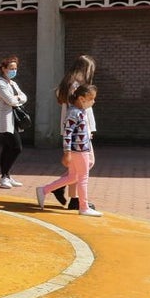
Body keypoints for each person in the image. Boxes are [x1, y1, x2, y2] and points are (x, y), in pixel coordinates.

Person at [36, 84, 101, 217]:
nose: (93, 101)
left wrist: (87, 135)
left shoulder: (79, 111)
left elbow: (76, 131)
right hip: (79, 151)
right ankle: (83, 207)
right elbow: (67, 134)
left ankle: (44, 190)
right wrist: (67, 152)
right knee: (83, 178)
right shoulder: (74, 113)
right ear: (82, 99)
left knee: (73, 177)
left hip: (80, 149)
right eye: (92, 99)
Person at [53, 55, 98, 209]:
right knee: (86, 163)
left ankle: (73, 198)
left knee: (77, 166)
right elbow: (82, 110)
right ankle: (61, 186)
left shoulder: (67, 84)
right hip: (79, 129)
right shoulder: (76, 86)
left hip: (74, 128)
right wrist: (88, 129)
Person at [0, 55, 28, 189]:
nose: (13, 71)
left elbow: (24, 97)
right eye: (11, 68)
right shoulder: (0, 84)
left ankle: (6, 175)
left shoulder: (13, 84)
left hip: (13, 120)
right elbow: (11, 100)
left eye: (15, 68)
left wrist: (17, 98)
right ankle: (4, 176)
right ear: (3, 69)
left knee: (7, 148)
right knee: (17, 147)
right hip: (4, 120)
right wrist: (17, 98)